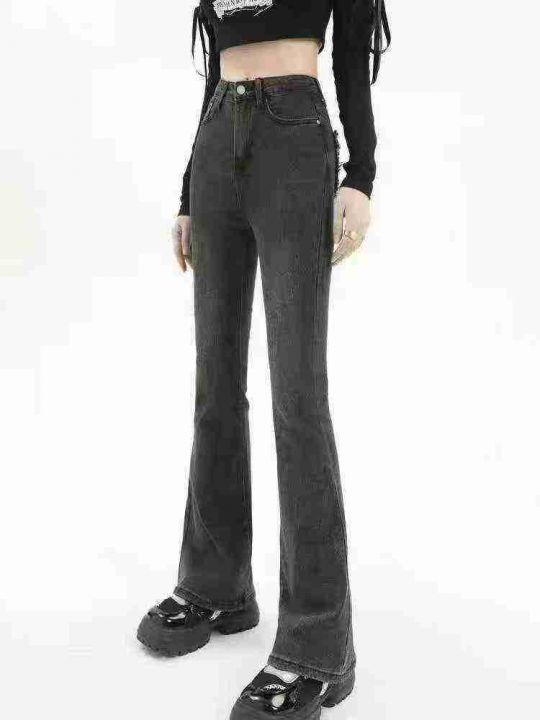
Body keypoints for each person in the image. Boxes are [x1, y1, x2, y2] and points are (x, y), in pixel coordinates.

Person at [137, 1, 390, 717]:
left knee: (297, 397)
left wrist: (361, 176)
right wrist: (188, 193)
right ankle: (217, 585)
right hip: (219, 134)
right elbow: (212, 69)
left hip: (295, 135)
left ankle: (318, 646)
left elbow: (351, 55)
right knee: (215, 385)